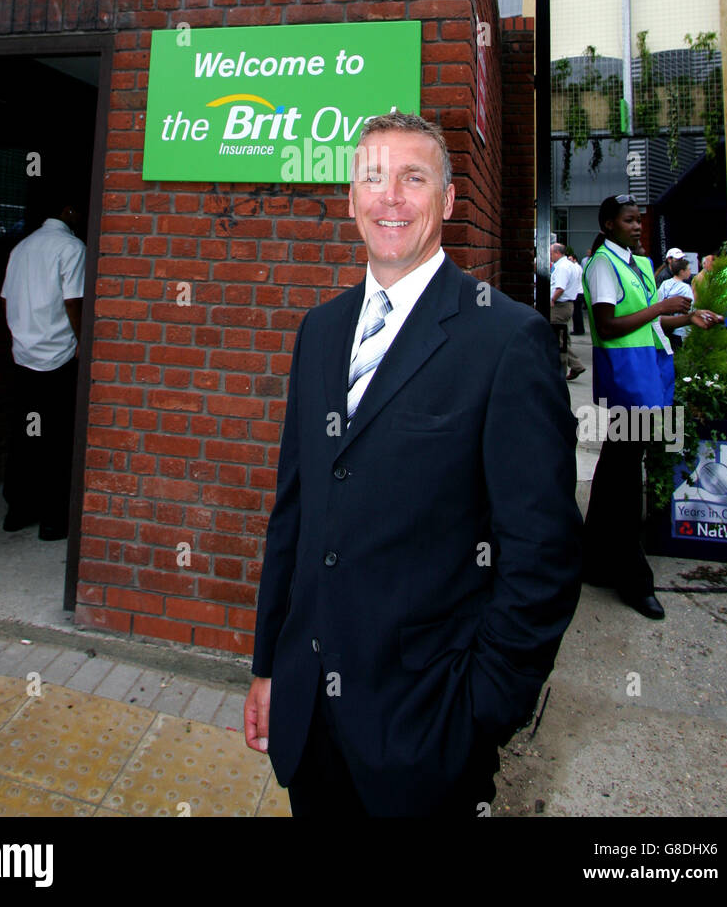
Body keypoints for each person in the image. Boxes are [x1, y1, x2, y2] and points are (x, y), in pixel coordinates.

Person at [244, 111, 582, 818]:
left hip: (427, 735)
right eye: (372, 177)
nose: (389, 197)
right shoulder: (320, 330)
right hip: (308, 721)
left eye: (413, 178)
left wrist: (481, 711)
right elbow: (296, 513)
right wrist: (270, 666)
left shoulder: (506, 339)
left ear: (448, 201)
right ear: (349, 198)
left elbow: (543, 555)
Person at [581, 196, 720, 620]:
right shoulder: (603, 263)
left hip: (648, 374)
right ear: (608, 224)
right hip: (628, 381)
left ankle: (596, 561)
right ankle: (633, 579)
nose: (638, 226)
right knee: (624, 482)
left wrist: (686, 319)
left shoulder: (637, 264)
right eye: (629, 220)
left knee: (616, 472)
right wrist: (661, 307)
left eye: (640, 219)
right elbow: (607, 325)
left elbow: (648, 321)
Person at [0, 184, 86, 540]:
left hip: (23, 358)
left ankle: (17, 510)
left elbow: (6, 299)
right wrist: (83, 341)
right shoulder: (71, 248)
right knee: (57, 440)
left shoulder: (21, 248)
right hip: (58, 360)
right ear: (68, 211)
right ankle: (52, 520)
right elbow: (72, 302)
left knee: (25, 436)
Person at [550, 243, 584, 380]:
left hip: (559, 306)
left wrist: (552, 299)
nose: (550, 256)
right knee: (562, 338)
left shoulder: (562, 267)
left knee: (558, 339)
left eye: (551, 253)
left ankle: (570, 366)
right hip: (566, 305)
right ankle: (575, 366)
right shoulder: (570, 265)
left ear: (557, 253)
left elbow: (560, 288)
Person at [656, 257, 694, 352]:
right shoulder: (685, 288)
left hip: (666, 326)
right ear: (682, 271)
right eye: (688, 269)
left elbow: (658, 300)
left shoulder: (665, 283)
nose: (690, 272)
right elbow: (691, 307)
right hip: (681, 329)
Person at [567, 248, 585, 336]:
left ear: (575, 259)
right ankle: (580, 329)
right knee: (578, 312)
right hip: (579, 292)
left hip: (577, 292)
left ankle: (578, 329)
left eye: (570, 259)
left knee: (576, 313)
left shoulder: (575, 267)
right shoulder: (578, 267)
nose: (569, 261)